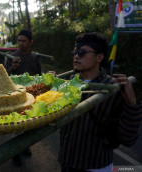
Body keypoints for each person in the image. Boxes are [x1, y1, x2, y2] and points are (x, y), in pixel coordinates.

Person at [58, 32, 142, 172]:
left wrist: (132, 104)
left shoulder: (113, 87)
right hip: (67, 161)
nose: (76, 56)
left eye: (82, 52)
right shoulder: (68, 81)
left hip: (96, 165)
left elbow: (128, 138)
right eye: (75, 52)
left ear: (99, 57)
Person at [4, 29, 41, 167]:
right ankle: (15, 153)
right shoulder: (10, 56)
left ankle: (24, 146)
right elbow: (3, 77)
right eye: (19, 40)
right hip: (15, 97)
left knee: (29, 124)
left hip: (31, 96)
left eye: (23, 41)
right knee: (16, 126)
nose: (20, 43)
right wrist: (12, 68)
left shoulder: (35, 57)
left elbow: (39, 76)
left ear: (30, 42)